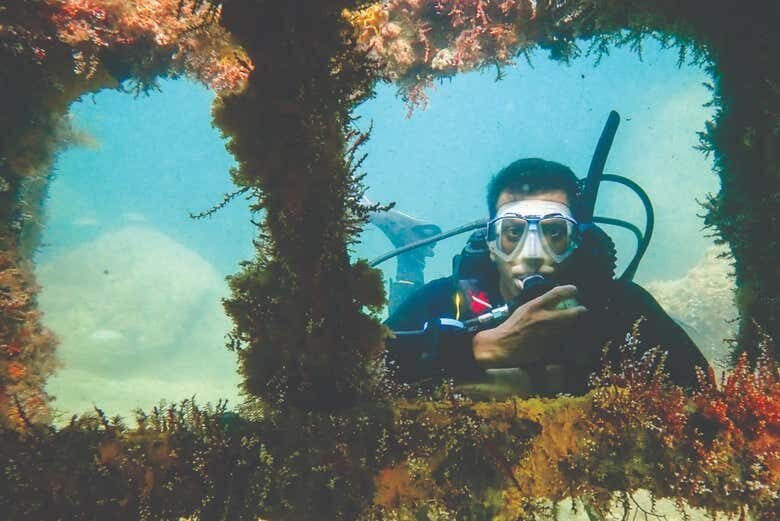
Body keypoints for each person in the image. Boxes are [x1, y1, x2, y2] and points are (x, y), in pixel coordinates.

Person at [384, 158, 708, 396]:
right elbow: (364, 371)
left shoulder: (620, 306)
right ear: (491, 243)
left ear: (577, 241)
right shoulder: (449, 298)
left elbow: (702, 390)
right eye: (513, 232)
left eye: (554, 232)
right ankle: (411, 260)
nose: (533, 253)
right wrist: (480, 348)